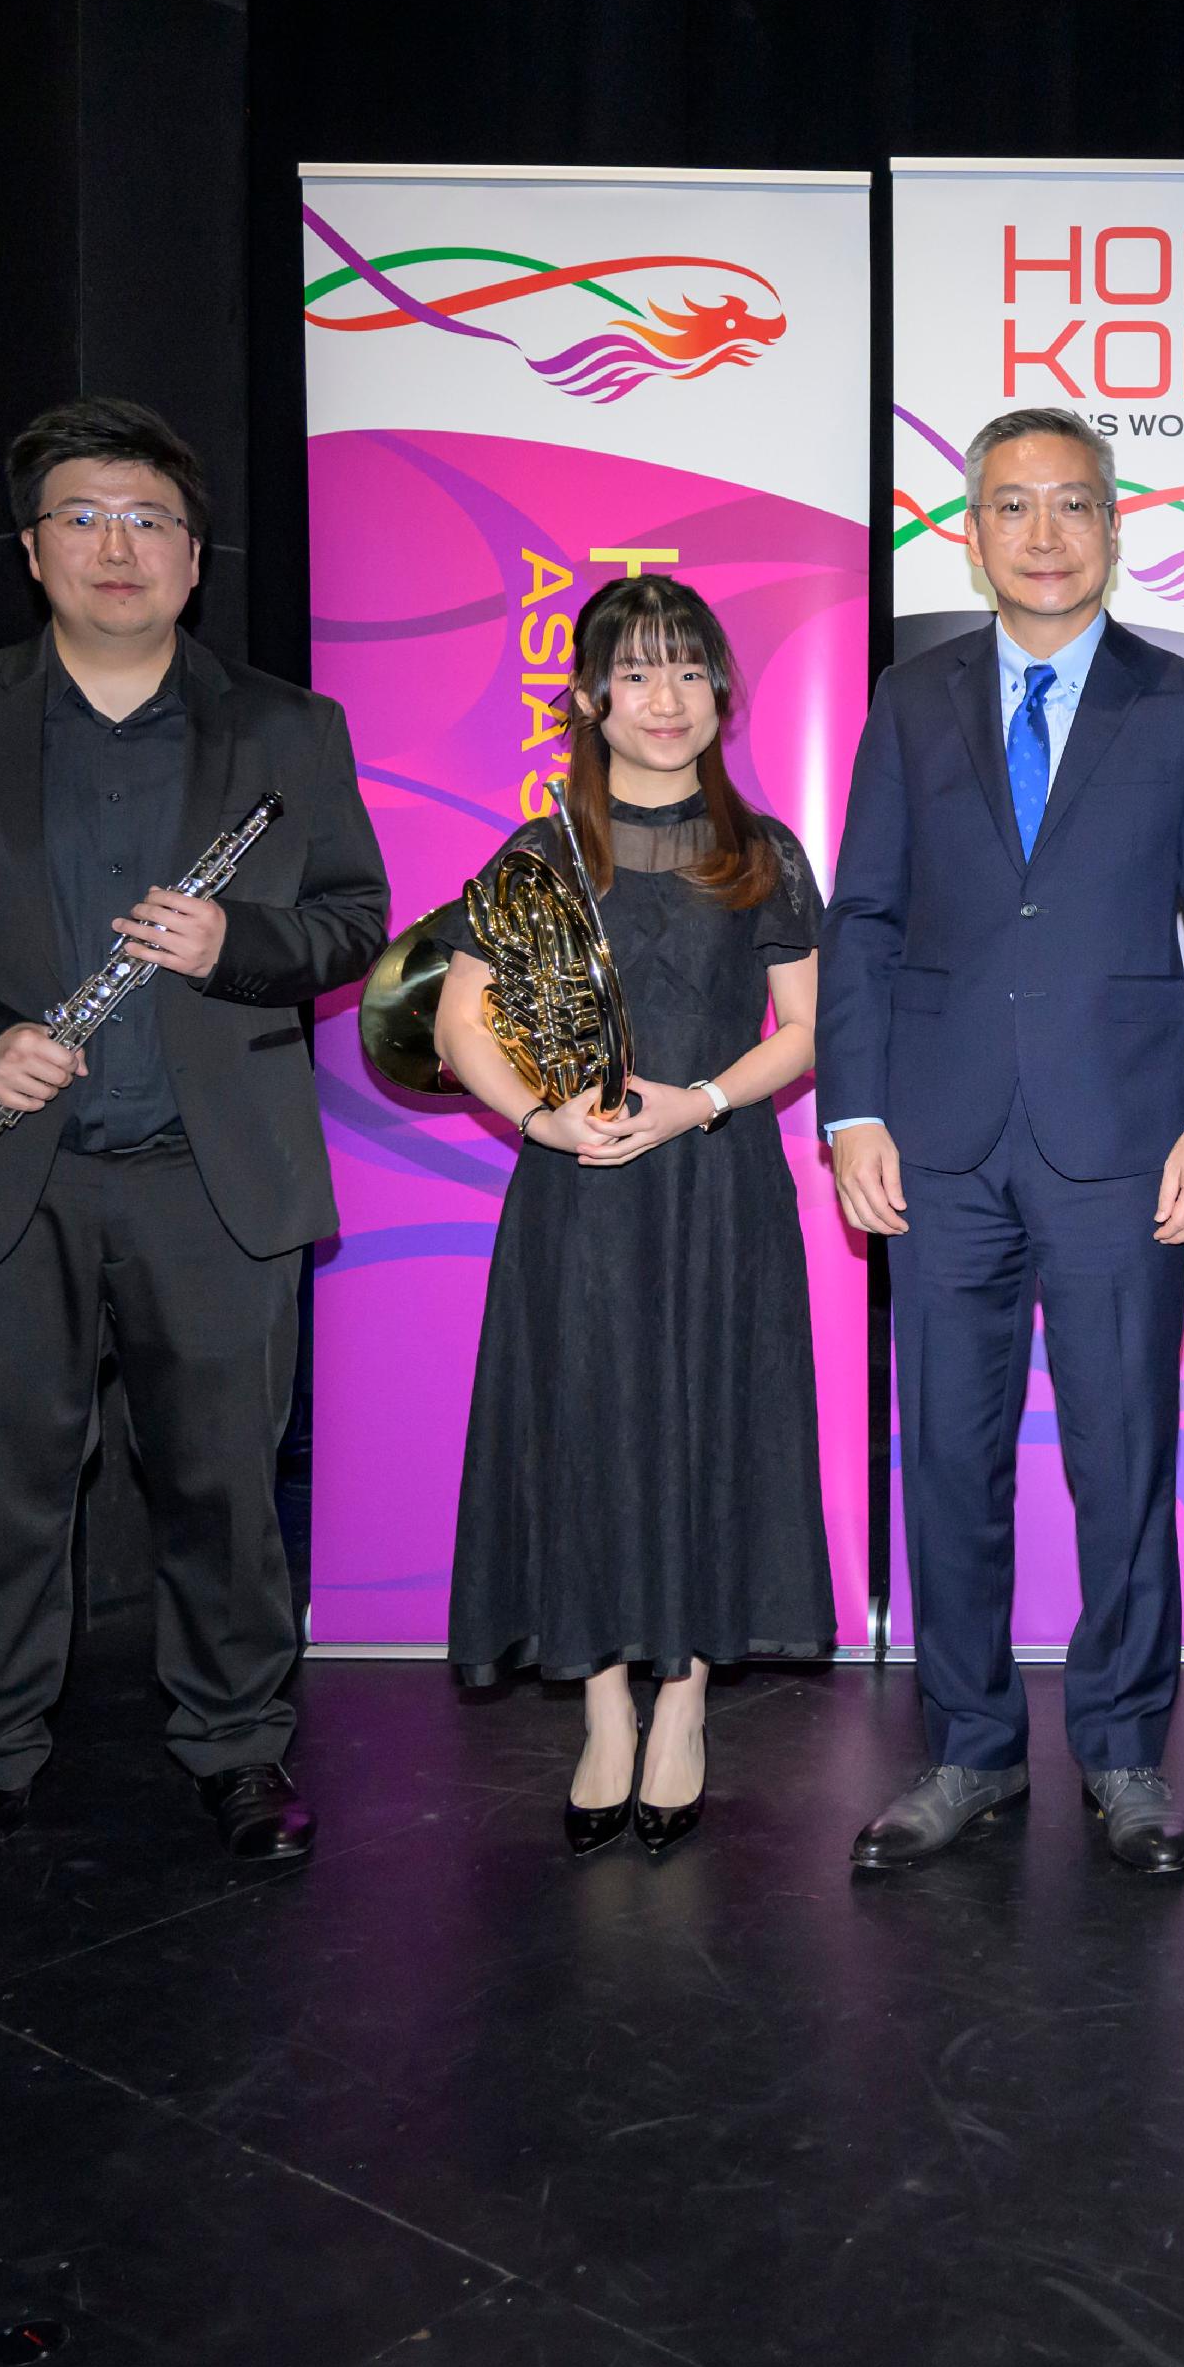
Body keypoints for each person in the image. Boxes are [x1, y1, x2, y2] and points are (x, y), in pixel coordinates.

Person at [0, 397, 390, 1904]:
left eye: (149, 523)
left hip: (211, 1176)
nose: (117, 547)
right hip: (7, 1174)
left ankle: (240, 1750)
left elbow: (353, 918)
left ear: (195, 562)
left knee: (225, 1497)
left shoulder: (284, 727)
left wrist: (232, 939)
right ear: (31, 549)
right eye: (84, 518)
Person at [821, 407, 1184, 1877]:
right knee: (946, 1455)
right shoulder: (910, 698)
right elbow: (864, 918)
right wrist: (854, 1108)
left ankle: (1126, 1752)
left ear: (1114, 527)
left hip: (1125, 1147)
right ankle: (969, 1747)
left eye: (1073, 505)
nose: (1046, 533)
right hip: (935, 1148)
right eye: (1015, 506)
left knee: (1122, 1458)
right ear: (972, 529)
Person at [436, 576, 832, 1857]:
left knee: (712, 1423)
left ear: (722, 692)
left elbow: (811, 1033)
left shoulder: (760, 852)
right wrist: (546, 1122)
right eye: (638, 674)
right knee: (584, 1428)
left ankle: (687, 1704)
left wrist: (700, 1100)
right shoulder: (541, 853)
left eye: (689, 672)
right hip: (578, 1198)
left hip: (717, 1189)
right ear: (593, 697)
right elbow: (459, 1025)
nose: (666, 700)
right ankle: (603, 1701)